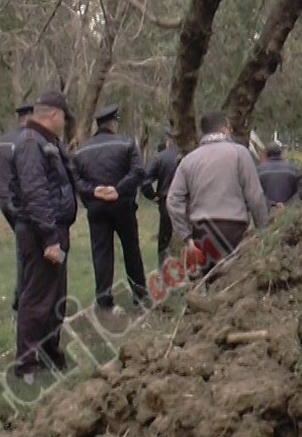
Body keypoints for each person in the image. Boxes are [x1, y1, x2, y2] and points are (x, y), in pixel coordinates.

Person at [9, 90, 79, 381]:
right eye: (64, 117)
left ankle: (51, 354)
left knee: (55, 297)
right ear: (53, 115)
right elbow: (35, 193)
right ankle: (26, 366)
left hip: (55, 230)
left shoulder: (47, 142)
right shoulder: (30, 144)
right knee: (37, 299)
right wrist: (49, 238)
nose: (65, 122)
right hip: (41, 234)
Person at [165, 111, 270, 263]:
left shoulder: (189, 160)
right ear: (225, 129)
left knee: (210, 281)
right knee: (233, 279)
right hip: (233, 229)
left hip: (202, 231)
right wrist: (262, 230)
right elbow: (255, 196)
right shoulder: (240, 153)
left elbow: (173, 200)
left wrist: (186, 237)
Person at [72, 104, 148, 310]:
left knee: (101, 253)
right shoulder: (127, 143)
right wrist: (118, 189)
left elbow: (75, 180)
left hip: (96, 208)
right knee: (131, 250)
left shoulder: (82, 150)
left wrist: (93, 191)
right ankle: (140, 296)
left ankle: (104, 299)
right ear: (113, 123)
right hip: (122, 205)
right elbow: (138, 171)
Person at [0, 102, 33, 309]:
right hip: (21, 202)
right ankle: (22, 296)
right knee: (26, 250)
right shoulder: (28, 141)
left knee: (23, 247)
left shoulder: (2, 142)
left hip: (3, 199)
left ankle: (23, 294)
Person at [141, 127, 179, 266]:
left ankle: (163, 270)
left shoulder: (160, 157)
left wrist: (153, 196)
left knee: (164, 238)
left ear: (168, 140)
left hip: (166, 201)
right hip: (189, 202)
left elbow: (144, 180)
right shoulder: (191, 155)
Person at [257, 142, 302, 208]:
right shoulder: (294, 169)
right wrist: (289, 204)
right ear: (281, 153)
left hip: (266, 212)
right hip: (288, 214)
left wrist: (272, 205)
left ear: (266, 155)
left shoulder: (258, 171)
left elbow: (255, 193)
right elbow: (301, 190)